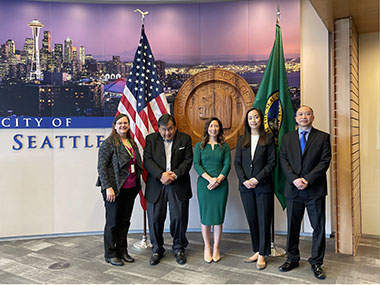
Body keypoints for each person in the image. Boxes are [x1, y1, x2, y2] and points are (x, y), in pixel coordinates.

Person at [279, 105, 331, 280]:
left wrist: (307, 179)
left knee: (318, 227)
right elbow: (284, 161)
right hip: (293, 189)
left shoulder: (323, 137)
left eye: (307, 114)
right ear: (296, 118)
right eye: (300, 114)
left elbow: (324, 162)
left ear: (313, 117)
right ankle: (292, 258)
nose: (303, 117)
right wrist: (295, 179)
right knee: (293, 226)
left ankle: (316, 262)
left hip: (314, 189)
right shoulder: (286, 138)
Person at [144, 114, 193, 266]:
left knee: (178, 218)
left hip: (178, 184)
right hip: (157, 184)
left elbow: (188, 160)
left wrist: (176, 174)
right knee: (155, 219)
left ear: (175, 127)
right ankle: (157, 249)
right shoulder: (151, 140)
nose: (167, 133)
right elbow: (147, 160)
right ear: (159, 129)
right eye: (164, 130)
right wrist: (161, 175)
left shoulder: (185, 139)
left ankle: (179, 248)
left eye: (170, 129)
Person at [96, 114, 143, 266]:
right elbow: (101, 167)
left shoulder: (131, 142)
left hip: (130, 188)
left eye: (126, 123)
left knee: (124, 221)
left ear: (129, 125)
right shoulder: (109, 143)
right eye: (120, 123)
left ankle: (122, 251)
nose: (123, 125)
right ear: (115, 126)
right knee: (112, 222)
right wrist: (108, 187)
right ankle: (110, 253)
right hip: (114, 189)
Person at [234, 108, 276, 270]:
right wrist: (245, 180)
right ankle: (257, 250)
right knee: (252, 219)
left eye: (256, 117)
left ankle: (263, 254)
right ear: (247, 120)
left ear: (260, 119)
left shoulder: (269, 139)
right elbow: (237, 163)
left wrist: (256, 179)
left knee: (264, 220)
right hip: (245, 187)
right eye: (250, 117)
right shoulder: (241, 139)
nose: (253, 120)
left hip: (263, 186)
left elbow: (272, 163)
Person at [193, 117, 231, 263]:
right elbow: (197, 164)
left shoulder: (225, 146)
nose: (213, 129)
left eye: (216, 126)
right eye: (211, 126)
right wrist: (210, 179)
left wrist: (218, 180)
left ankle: (216, 247)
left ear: (220, 129)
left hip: (221, 185)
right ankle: (207, 247)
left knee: (218, 217)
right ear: (207, 128)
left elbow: (227, 165)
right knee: (206, 217)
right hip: (204, 185)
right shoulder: (199, 146)